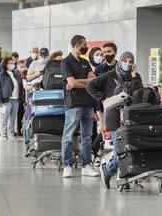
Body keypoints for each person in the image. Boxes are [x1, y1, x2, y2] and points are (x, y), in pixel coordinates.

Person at [86, 51, 143, 188]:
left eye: (130, 61)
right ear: (120, 61)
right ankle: (108, 170)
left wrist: (134, 77)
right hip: (114, 117)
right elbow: (90, 86)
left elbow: (138, 96)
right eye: (125, 61)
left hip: (131, 117)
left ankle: (123, 176)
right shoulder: (109, 75)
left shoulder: (136, 77)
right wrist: (103, 98)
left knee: (130, 149)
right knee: (120, 150)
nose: (128, 64)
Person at [61, 34, 100, 178]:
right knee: (69, 136)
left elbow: (93, 80)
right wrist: (82, 82)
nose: (86, 47)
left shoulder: (85, 62)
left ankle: (86, 165)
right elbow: (71, 83)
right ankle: (67, 165)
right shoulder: (66, 62)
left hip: (88, 103)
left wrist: (79, 82)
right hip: (74, 104)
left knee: (87, 136)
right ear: (77, 45)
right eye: (84, 44)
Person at [0, 57, 24, 138]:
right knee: (4, 118)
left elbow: (20, 85)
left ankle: (11, 133)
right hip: (6, 99)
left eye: (13, 63)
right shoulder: (1, 75)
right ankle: (3, 134)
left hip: (16, 99)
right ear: (5, 64)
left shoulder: (16, 74)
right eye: (10, 63)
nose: (12, 65)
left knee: (13, 119)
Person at [15, 60, 27, 136]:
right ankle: (18, 130)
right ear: (17, 67)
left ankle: (21, 130)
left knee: (22, 114)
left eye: (24, 66)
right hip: (17, 97)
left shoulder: (24, 74)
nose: (23, 68)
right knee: (18, 114)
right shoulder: (16, 74)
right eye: (21, 67)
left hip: (22, 97)